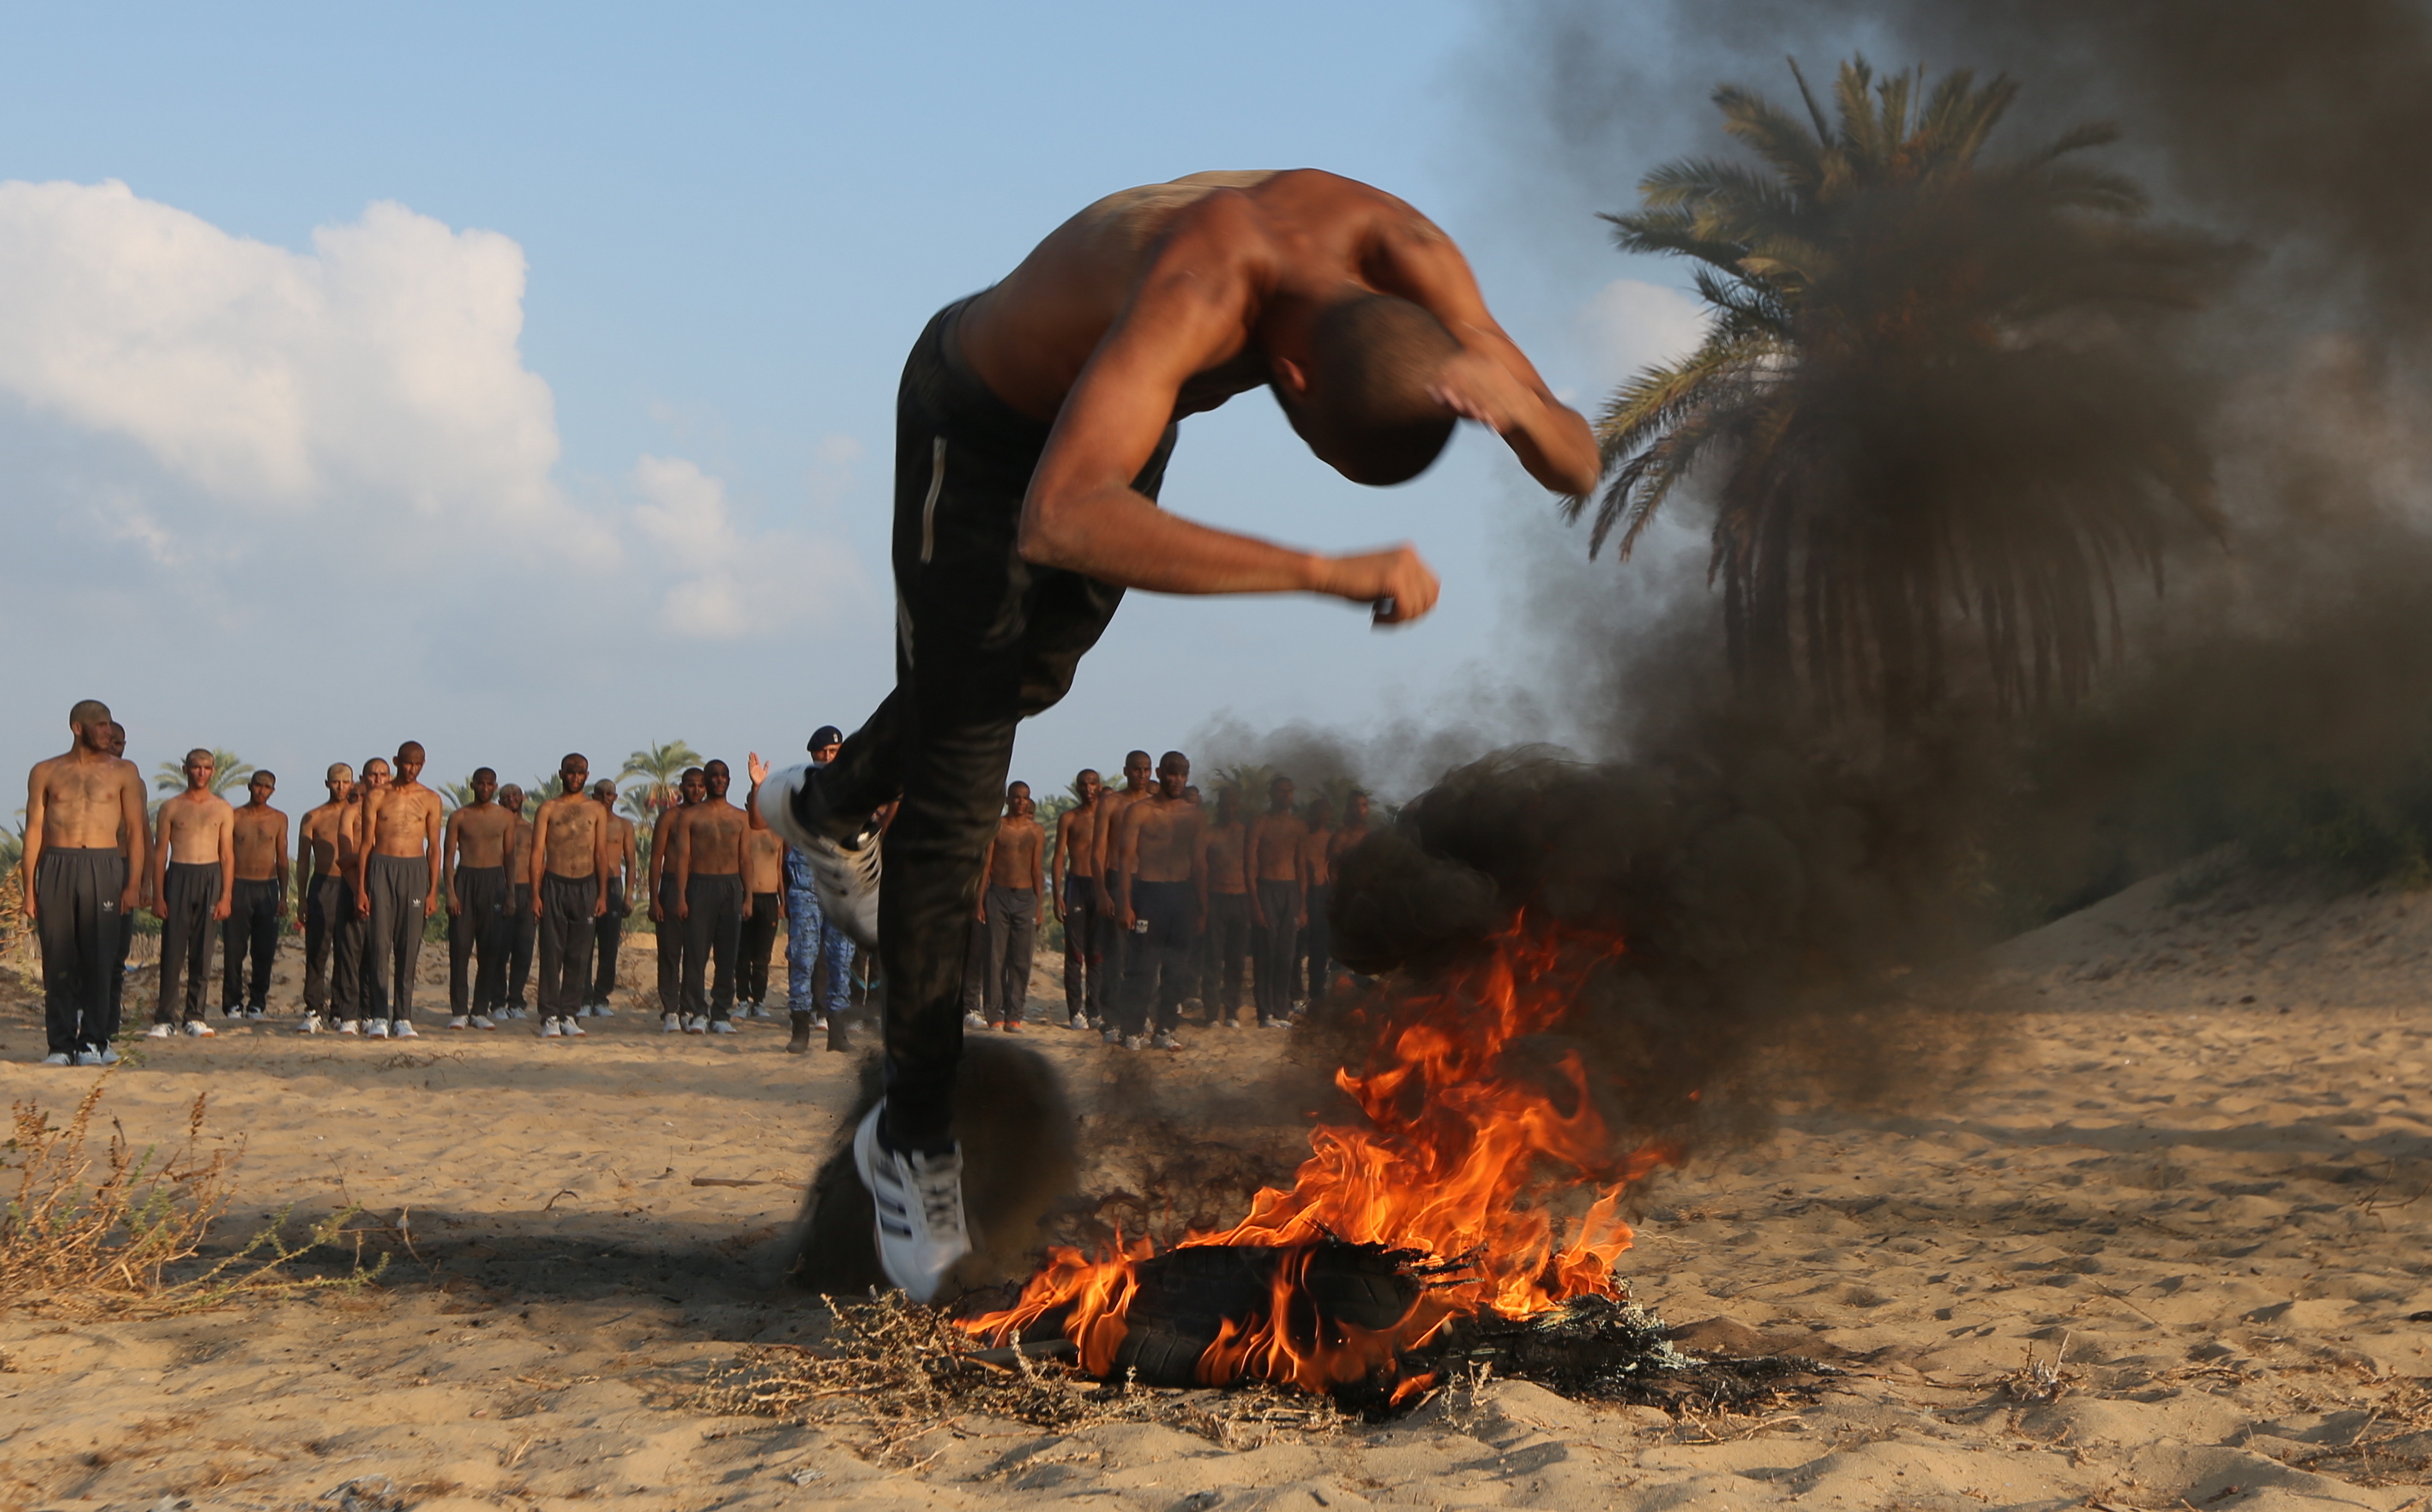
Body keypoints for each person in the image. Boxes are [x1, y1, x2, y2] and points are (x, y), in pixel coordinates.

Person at [754, 168, 1597, 1300]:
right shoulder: (1202, 286)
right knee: (962, 762)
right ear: (1291, 375)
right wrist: (1318, 570)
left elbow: (1579, 463)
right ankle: (911, 1138)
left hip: (1108, 417)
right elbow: (1061, 514)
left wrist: (1520, 397)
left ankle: (831, 801)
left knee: (1034, 673)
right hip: (984, 417)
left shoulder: (1412, 251)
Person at [23, 699, 147, 1065]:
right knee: (57, 959)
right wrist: (30, 889)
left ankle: (93, 1040)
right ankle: (60, 1045)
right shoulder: (45, 771)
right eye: (102, 725)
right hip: (58, 865)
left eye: (110, 725)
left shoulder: (124, 771)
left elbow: (138, 832)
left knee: (100, 958)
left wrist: (133, 883)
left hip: (104, 863)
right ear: (79, 728)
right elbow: (33, 831)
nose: (109, 732)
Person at [752, 734, 855, 1055]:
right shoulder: (793, 785)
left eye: (834, 751)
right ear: (812, 754)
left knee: (842, 960)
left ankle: (837, 1033)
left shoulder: (857, 785)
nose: (828, 756)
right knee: (802, 957)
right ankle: (800, 1031)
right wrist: (759, 786)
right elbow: (757, 822)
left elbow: (884, 820)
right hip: (806, 885)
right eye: (822, 751)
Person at [1112, 751, 1202, 1050]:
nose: (1177, 780)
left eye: (1183, 774)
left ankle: (1165, 1030)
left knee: (1177, 969)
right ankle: (1133, 1030)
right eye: (1172, 773)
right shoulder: (1140, 811)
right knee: (1143, 968)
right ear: (1160, 773)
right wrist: (1124, 904)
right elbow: (1125, 860)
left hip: (1182, 895)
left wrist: (1203, 906)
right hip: (1149, 894)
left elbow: (1200, 863)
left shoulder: (1193, 815)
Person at [355, 742, 442, 1039]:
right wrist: (361, 889)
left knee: (409, 946)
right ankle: (379, 1015)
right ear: (396, 762)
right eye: (406, 763)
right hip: (382, 867)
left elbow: (434, 848)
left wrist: (433, 891)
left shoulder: (431, 799)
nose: (411, 769)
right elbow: (366, 843)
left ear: (424, 764)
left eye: (417, 764)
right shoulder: (378, 795)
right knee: (380, 945)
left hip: (415, 870)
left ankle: (402, 1017)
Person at [148, 748, 236, 1038]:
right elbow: (160, 853)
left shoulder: (222, 809)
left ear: (213, 771)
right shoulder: (171, 807)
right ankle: (165, 1018)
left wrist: (226, 896)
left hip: (210, 876)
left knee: (203, 951)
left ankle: (195, 1016)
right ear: (185, 770)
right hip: (179, 875)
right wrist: (158, 894)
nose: (201, 772)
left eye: (206, 767)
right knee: (172, 951)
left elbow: (227, 855)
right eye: (196, 767)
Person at [527, 755, 610, 1038]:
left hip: (586, 886)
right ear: (561, 773)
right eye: (571, 772)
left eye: (581, 773)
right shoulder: (548, 808)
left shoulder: (596, 809)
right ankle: (549, 1015)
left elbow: (601, 853)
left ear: (587, 775)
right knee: (552, 953)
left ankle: (570, 1014)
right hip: (555, 884)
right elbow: (537, 852)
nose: (575, 777)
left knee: (580, 954)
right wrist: (535, 894)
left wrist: (602, 894)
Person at [671, 759, 748, 1035]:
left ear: (729, 780)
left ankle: (721, 1014)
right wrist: (680, 896)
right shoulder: (690, 817)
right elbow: (683, 859)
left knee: (728, 954)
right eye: (713, 776)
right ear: (706, 780)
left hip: (731, 887)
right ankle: (698, 1012)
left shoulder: (741, 818)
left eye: (723, 776)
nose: (718, 780)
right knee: (696, 954)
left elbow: (745, 859)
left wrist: (748, 896)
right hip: (699, 886)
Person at [442, 768, 513, 1031]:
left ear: (495, 786)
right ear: (472, 785)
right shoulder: (460, 816)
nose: (484, 788)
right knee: (460, 948)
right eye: (480, 783)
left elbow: (510, 857)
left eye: (489, 784)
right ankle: (459, 1010)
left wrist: (511, 894)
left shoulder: (505, 817)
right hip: (466, 880)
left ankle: (480, 1010)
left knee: (490, 950)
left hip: (494, 883)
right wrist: (450, 891)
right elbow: (449, 857)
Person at [296, 764, 363, 1034]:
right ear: (327, 784)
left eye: (346, 782)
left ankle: (340, 1009)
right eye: (336, 782)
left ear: (353, 783)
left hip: (351, 884)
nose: (341, 787)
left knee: (348, 950)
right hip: (323, 884)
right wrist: (301, 899)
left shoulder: (361, 815)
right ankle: (313, 1009)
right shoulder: (314, 817)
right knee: (317, 949)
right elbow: (302, 862)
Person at [1090, 752, 1155, 1017]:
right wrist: (1103, 893)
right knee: (1116, 953)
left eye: (1146, 770)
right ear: (1126, 771)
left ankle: (1141, 1014)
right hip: (1117, 879)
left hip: (1150, 884)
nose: (1141, 774)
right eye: (1137, 769)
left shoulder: (1156, 805)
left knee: (1148, 951)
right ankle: (1112, 1016)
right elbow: (1097, 853)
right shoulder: (1111, 804)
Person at [220, 771, 288, 1021]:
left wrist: (283, 895)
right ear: (250, 786)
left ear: (273, 791)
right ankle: (232, 1003)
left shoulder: (279, 819)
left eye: (267, 787)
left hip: (267, 887)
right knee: (234, 950)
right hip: (238, 885)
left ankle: (257, 1002)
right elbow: (224, 854)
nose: (262, 790)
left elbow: (282, 858)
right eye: (258, 785)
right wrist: (224, 893)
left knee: (264, 950)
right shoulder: (234, 816)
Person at [976, 784, 1044, 1030]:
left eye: (1025, 798)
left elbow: (1037, 869)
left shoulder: (1036, 831)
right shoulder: (998, 827)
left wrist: (1039, 906)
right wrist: (980, 902)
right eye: (1017, 798)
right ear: (1008, 799)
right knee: (995, 958)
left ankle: (1015, 1014)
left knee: (1021, 959)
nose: (1021, 802)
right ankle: (994, 1015)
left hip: (1026, 898)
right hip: (998, 896)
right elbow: (987, 866)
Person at [1247, 776, 1308, 1029]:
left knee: (1286, 954)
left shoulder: (1298, 826)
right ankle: (1264, 1013)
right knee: (1266, 953)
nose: (1286, 796)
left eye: (1289, 792)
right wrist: (1256, 903)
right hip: (1266, 888)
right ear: (1271, 794)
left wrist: (1302, 906)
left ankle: (1281, 1011)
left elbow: (1302, 866)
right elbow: (1249, 865)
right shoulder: (1260, 823)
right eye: (1281, 791)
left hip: (1290, 891)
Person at [648, 768, 703, 1031]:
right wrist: (654, 899)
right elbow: (656, 858)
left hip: (700, 886)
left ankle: (689, 1007)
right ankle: (670, 1009)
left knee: (696, 954)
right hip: (670, 885)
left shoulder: (708, 817)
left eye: (700, 785)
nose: (696, 790)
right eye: (690, 785)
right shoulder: (670, 816)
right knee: (670, 952)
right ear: (681, 787)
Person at [1194, 784, 1254, 1028]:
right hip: (1216, 899)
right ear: (1218, 806)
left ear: (1238, 806)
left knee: (1237, 960)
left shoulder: (1247, 833)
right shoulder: (1208, 834)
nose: (1229, 808)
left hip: (1241, 899)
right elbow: (1200, 870)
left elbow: (1253, 869)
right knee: (1213, 959)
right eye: (1224, 804)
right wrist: (1203, 906)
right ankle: (1210, 1012)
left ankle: (1231, 1011)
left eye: (1233, 803)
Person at [1051, 769, 1103, 1030]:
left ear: (1099, 785)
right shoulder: (1069, 818)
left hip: (1101, 886)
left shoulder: (1108, 819)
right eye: (1083, 784)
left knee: (1097, 953)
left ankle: (1095, 1009)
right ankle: (1076, 1012)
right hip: (1076, 885)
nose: (1088, 788)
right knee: (1075, 953)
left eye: (1092, 783)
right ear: (1078, 787)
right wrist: (1056, 895)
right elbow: (1059, 855)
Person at [102, 721, 140, 1033]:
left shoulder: (134, 783)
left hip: (124, 866)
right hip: (90, 865)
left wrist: (143, 884)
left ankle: (111, 1019)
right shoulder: (75, 777)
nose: (115, 748)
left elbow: (143, 837)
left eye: (120, 743)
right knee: (82, 946)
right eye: (111, 742)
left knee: (118, 951)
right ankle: (80, 1011)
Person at [587, 779, 636, 1017]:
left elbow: (631, 861)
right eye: (601, 793)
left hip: (614, 885)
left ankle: (601, 997)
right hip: (588, 884)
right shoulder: (587, 823)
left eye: (609, 794)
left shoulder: (623, 825)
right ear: (594, 795)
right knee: (584, 943)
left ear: (615, 797)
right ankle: (584, 997)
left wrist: (629, 895)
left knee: (609, 946)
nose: (605, 797)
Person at [737, 794, 786, 1020]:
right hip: (746, 898)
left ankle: (759, 1001)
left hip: (769, 899)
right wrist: (745, 897)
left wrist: (783, 901)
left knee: (763, 956)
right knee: (743, 953)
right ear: (747, 806)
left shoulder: (777, 834)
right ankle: (742, 1000)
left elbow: (779, 871)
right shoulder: (742, 831)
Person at [498, 784, 537, 1018]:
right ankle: (498, 1000)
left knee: (524, 949)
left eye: (515, 796)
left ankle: (516, 1000)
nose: (512, 799)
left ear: (523, 798)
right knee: (499, 950)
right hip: (501, 890)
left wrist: (539, 894)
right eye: (506, 797)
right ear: (500, 800)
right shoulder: (496, 828)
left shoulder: (531, 830)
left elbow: (540, 861)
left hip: (527, 890)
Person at [1295, 794, 1336, 1008]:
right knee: (1299, 944)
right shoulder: (1303, 837)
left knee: (1320, 947)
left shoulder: (1331, 838)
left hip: (1324, 893)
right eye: (1317, 812)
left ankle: (1317, 992)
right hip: (1304, 892)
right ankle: (1295, 993)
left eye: (1325, 812)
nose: (1321, 817)